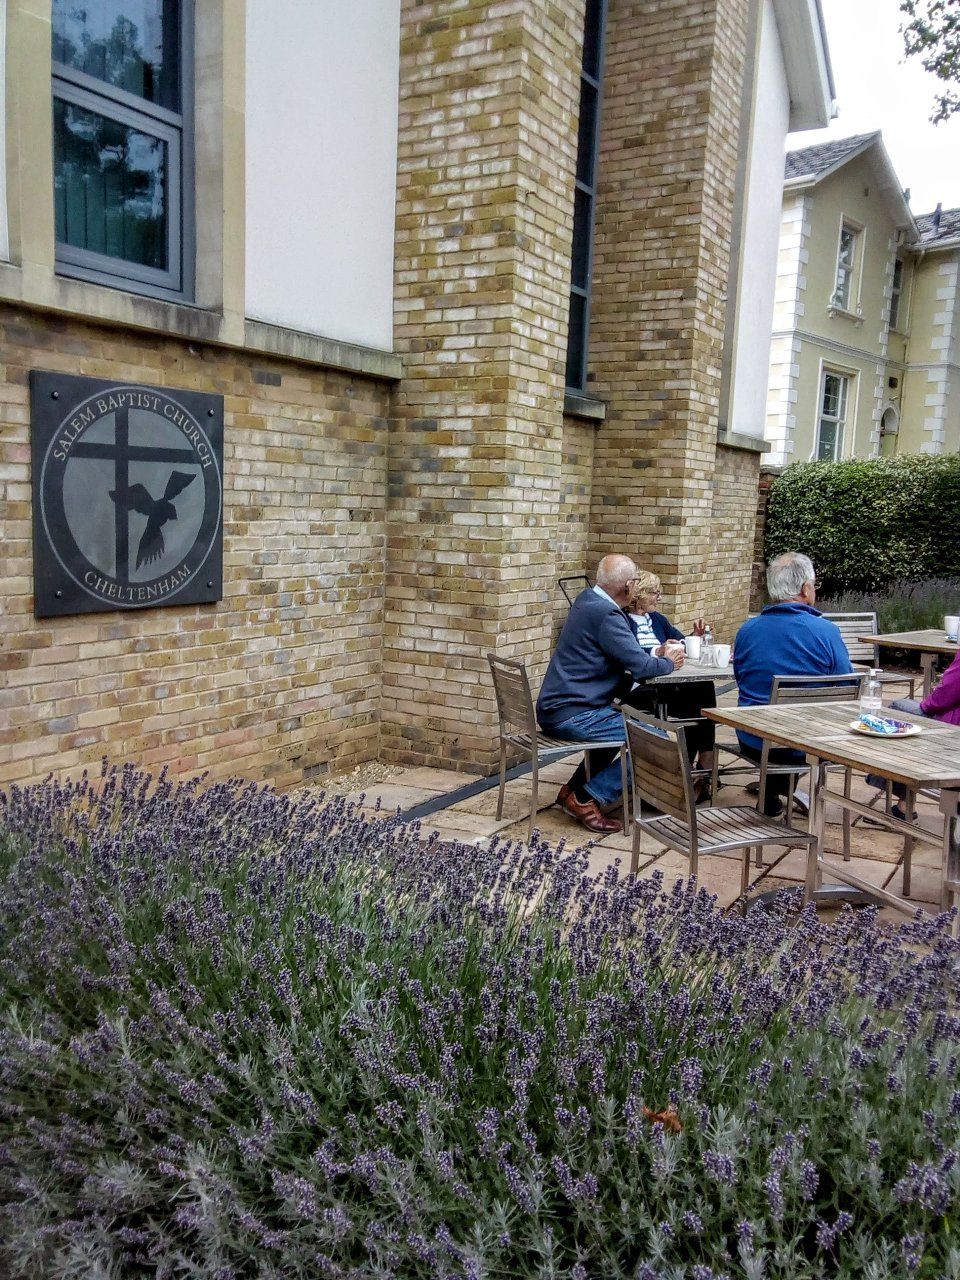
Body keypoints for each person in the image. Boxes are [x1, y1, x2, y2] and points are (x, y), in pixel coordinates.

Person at [537, 554, 684, 833]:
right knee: (655, 743)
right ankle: (586, 798)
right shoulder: (607, 614)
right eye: (636, 581)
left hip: (560, 706)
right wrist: (669, 662)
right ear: (628, 586)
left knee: (621, 729)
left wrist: (653, 655)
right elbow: (641, 668)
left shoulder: (587, 600)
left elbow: (624, 655)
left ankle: (573, 790)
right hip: (574, 713)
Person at [733, 552, 852, 816]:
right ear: (805, 589)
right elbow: (846, 688)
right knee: (810, 730)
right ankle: (779, 789)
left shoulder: (747, 631)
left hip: (752, 740)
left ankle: (772, 791)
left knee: (780, 728)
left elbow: (741, 678)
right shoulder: (826, 632)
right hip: (807, 743)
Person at [620, 570, 716, 785]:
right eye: (655, 593)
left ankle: (701, 760)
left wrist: (693, 639)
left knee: (703, 688)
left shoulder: (657, 619)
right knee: (695, 703)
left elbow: (679, 640)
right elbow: (628, 655)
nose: (659, 598)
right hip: (639, 687)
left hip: (665, 682)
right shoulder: (622, 620)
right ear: (640, 594)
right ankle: (689, 768)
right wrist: (658, 651)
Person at [865, 650, 960, 819]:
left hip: (952, 736)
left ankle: (904, 805)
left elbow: (946, 693)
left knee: (897, 709)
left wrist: (927, 705)